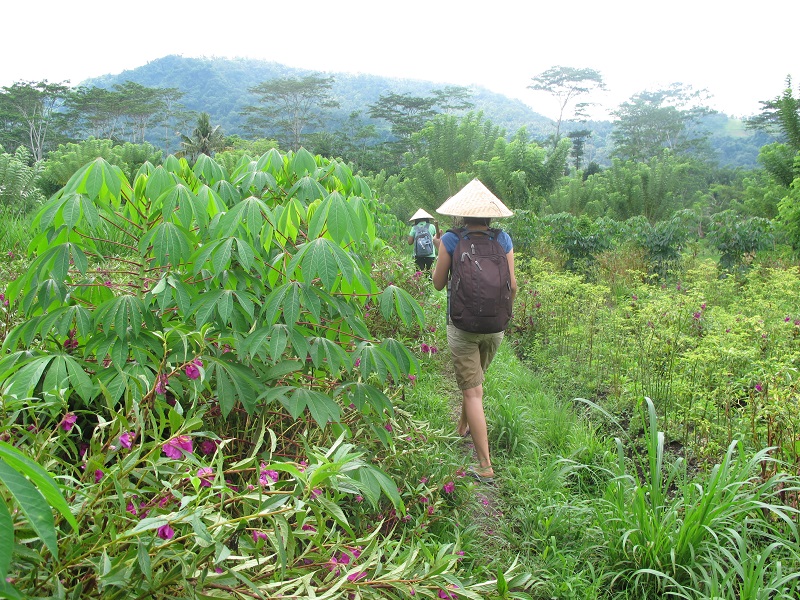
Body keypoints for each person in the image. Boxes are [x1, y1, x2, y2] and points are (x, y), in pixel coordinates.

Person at [431, 179, 517, 484]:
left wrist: (441, 256)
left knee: (472, 391)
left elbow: (439, 283)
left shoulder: (452, 239)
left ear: (461, 213)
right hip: (495, 326)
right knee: (476, 384)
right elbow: (513, 287)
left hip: (462, 325)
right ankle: (462, 427)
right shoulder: (503, 239)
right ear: (490, 214)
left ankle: (484, 465)